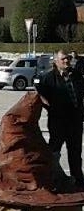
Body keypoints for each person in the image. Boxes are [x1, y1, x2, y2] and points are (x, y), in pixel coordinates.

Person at [36, 50, 84, 186]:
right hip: (58, 121)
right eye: (63, 59)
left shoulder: (76, 75)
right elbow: (39, 94)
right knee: (54, 151)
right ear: (56, 61)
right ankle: (51, 179)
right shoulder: (48, 77)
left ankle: (78, 181)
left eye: (68, 58)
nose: (67, 61)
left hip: (75, 121)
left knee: (75, 152)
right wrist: (50, 107)